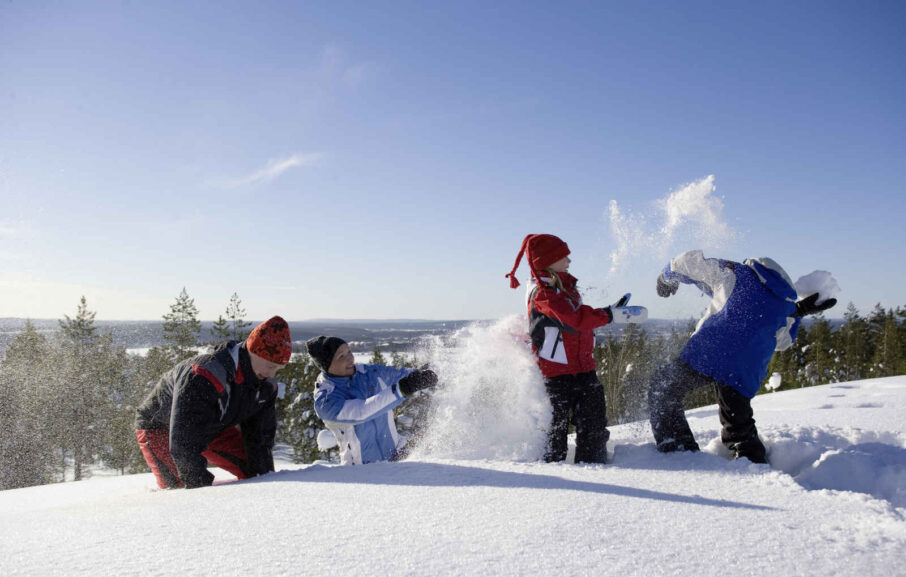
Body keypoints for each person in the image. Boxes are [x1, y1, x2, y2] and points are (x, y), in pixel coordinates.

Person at [648, 250, 837, 463]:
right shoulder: (784, 305)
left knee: (663, 387)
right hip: (745, 370)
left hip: (710, 353)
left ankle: (678, 450)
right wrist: (797, 314)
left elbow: (688, 263)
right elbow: (783, 343)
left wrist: (666, 277)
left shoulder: (737, 273)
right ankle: (751, 462)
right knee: (738, 426)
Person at [505, 233, 646, 464]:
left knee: (594, 431)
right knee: (553, 439)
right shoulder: (542, 293)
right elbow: (573, 319)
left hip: (583, 371)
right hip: (554, 378)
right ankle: (549, 480)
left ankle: (596, 470)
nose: (569, 261)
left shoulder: (565, 288)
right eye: (564, 256)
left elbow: (579, 317)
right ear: (548, 261)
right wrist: (610, 315)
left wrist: (608, 310)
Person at [134, 316, 292, 489]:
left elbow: (260, 439)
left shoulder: (266, 385)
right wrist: (202, 491)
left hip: (213, 427)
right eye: (270, 366)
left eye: (278, 369)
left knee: (255, 469)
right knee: (179, 487)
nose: (272, 374)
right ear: (253, 351)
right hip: (160, 428)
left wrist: (265, 481)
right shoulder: (204, 374)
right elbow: (183, 439)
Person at [308, 336, 438, 465]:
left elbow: (399, 375)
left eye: (349, 352)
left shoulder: (368, 373)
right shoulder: (325, 400)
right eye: (341, 356)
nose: (350, 358)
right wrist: (402, 389)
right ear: (327, 365)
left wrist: (424, 375)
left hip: (398, 457)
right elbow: (362, 412)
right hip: (362, 470)